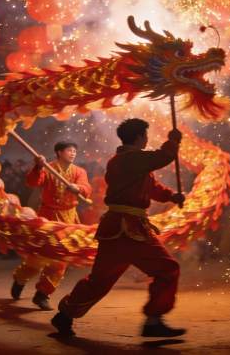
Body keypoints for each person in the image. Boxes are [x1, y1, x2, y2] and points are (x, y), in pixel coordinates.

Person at [52, 119, 186, 338]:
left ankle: (65, 314)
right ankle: (153, 321)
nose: (147, 139)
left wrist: (171, 196)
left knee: (99, 281)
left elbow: (152, 187)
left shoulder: (131, 161)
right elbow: (162, 157)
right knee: (167, 269)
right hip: (131, 229)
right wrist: (172, 142)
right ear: (140, 137)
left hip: (117, 229)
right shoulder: (130, 159)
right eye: (145, 135)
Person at [11, 141, 92, 310]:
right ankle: (20, 279)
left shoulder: (79, 171)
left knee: (61, 258)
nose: (73, 153)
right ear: (59, 152)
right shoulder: (48, 168)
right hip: (48, 218)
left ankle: (43, 294)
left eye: (74, 151)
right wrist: (38, 167)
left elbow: (86, 188)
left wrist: (78, 188)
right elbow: (32, 182)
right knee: (39, 257)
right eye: (69, 150)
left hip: (68, 219)